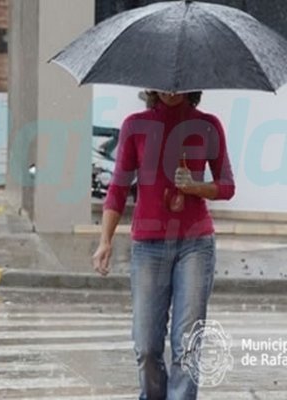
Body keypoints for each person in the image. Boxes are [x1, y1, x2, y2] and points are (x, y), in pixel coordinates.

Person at [92, 91, 235, 400]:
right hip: (148, 245)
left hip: (195, 245)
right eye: (164, 85)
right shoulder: (135, 126)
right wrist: (105, 240)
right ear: (152, 86)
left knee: (186, 344)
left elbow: (227, 185)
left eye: (178, 86)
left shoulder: (207, 125)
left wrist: (196, 187)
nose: (171, 92)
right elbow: (118, 187)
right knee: (146, 346)